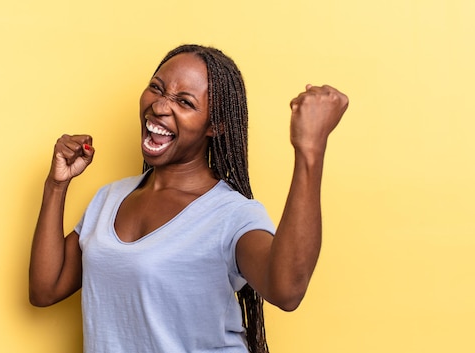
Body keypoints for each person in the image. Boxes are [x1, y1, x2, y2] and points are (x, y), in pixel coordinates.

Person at [29, 44, 349, 353]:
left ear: (216, 126)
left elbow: (287, 290)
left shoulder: (230, 215)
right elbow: (46, 289)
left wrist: (310, 150)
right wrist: (56, 185)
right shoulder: (109, 198)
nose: (160, 106)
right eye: (157, 88)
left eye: (185, 102)